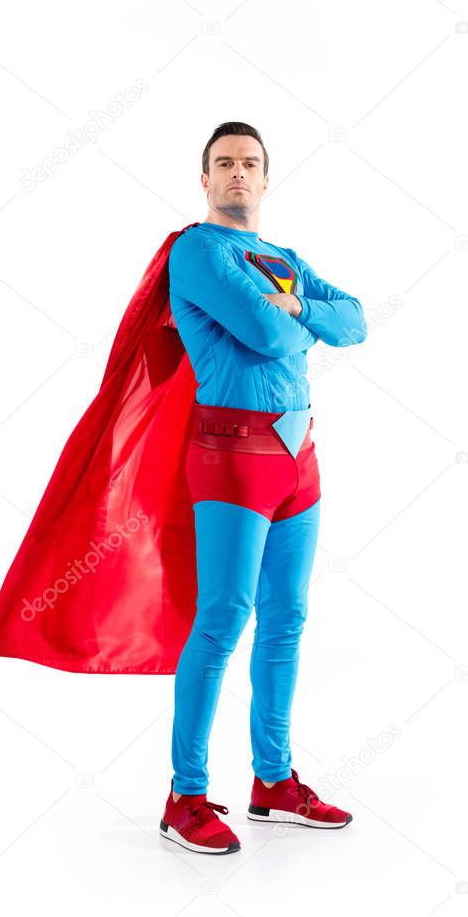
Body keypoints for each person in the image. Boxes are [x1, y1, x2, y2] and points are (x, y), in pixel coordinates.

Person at [160, 121, 367, 855]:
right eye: (224, 163)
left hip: (298, 457)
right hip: (231, 457)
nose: (238, 173)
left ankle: (271, 782)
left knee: (287, 618)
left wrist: (297, 310)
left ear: (266, 176)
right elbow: (268, 335)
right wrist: (297, 319)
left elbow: (357, 320)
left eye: (250, 163)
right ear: (205, 178)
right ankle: (184, 796)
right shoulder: (197, 251)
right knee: (222, 618)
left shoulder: (282, 258)